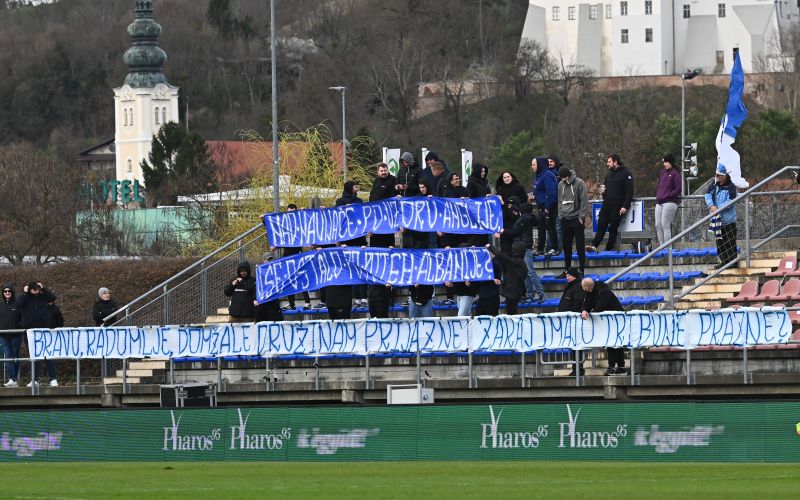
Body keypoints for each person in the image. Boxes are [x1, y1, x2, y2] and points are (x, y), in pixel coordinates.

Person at [586, 154, 634, 253]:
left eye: (609, 162)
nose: (607, 164)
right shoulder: (609, 173)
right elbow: (605, 187)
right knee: (601, 224)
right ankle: (594, 245)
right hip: (607, 203)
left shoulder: (626, 174)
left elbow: (630, 192)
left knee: (613, 227)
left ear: (615, 162)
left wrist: (625, 206)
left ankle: (609, 247)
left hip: (618, 205)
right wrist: (603, 192)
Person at [14, 282, 56, 387]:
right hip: (30, 331)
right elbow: (18, 304)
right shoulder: (25, 298)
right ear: (29, 289)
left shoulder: (43, 296)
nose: (35, 291)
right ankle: (35, 379)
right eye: (33, 289)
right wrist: (24, 293)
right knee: (32, 355)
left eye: (37, 289)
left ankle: (53, 378)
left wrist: (44, 288)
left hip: (43, 330)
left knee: (48, 354)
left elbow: (52, 297)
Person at [580, 277, 625, 375]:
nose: (582, 289)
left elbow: (601, 305)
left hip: (615, 319)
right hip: (608, 320)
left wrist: (592, 311)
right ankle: (620, 366)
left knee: (613, 342)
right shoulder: (590, 291)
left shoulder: (603, 290)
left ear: (586, 287)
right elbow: (586, 302)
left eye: (583, 287)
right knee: (613, 342)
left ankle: (613, 367)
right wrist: (584, 310)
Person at [336, 180, 368, 307]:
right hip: (347, 241)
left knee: (361, 268)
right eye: (355, 186)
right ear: (350, 188)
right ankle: (356, 298)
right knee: (351, 270)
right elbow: (338, 219)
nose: (358, 188)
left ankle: (364, 297)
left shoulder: (359, 201)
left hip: (359, 239)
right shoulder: (341, 202)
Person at [506, 203, 544, 303]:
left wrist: (503, 231)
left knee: (530, 272)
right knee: (526, 272)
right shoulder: (527, 218)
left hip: (525, 247)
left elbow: (515, 231)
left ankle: (540, 294)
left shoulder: (524, 219)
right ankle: (530, 294)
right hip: (524, 247)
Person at [557, 166, 589, 278]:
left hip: (577, 219)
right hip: (565, 218)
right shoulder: (561, 184)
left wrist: (582, 216)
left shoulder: (579, 183)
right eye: (561, 178)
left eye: (564, 178)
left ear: (568, 176)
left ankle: (581, 269)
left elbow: (584, 200)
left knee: (580, 245)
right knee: (566, 245)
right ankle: (567, 269)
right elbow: (559, 200)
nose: (563, 180)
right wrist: (560, 215)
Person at [705, 165, 739, 269]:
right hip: (717, 220)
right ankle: (724, 262)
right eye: (717, 175)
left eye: (720, 175)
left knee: (730, 242)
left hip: (729, 221)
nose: (718, 177)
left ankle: (732, 262)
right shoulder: (714, 184)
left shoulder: (731, 186)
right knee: (720, 243)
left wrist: (718, 208)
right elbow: (707, 195)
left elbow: (731, 201)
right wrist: (711, 205)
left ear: (724, 176)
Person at [280, 204, 311, 310]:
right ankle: (291, 303)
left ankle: (307, 302)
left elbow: (307, 221)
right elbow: (272, 226)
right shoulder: (284, 223)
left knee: (301, 277)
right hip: (287, 255)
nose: (291, 214)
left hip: (297, 254)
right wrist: (264, 220)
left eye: (293, 212)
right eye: (289, 212)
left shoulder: (299, 223)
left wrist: (304, 211)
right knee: (290, 279)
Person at [557, 267, 586, 376]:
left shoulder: (577, 286)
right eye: (566, 276)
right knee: (573, 346)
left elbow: (577, 303)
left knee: (576, 346)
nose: (567, 277)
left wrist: (571, 314)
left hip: (574, 321)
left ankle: (578, 368)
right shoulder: (572, 286)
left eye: (569, 275)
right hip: (569, 321)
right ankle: (576, 367)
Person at [489, 242, 528, 315]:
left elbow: (502, 256)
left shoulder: (516, 262)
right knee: (511, 312)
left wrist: (490, 247)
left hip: (512, 292)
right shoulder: (521, 262)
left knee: (512, 313)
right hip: (515, 292)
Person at [531, 156, 559, 257]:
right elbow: (540, 190)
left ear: (539, 165)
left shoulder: (548, 175)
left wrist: (547, 207)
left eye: (534, 165)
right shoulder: (538, 176)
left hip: (549, 207)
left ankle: (555, 248)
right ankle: (540, 248)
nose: (532, 167)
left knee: (551, 228)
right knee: (541, 228)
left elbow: (551, 192)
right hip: (540, 206)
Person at [655, 154, 682, 247]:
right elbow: (660, 186)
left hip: (670, 202)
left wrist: (669, 195)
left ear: (671, 163)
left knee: (665, 225)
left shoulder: (675, 173)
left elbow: (678, 188)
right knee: (658, 225)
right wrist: (658, 194)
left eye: (666, 162)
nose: (665, 164)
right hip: (660, 202)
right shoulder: (662, 172)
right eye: (664, 162)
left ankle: (668, 248)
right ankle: (662, 247)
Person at [369, 163, 398, 248]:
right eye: (381, 171)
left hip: (387, 217)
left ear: (388, 170)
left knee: (388, 241)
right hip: (376, 217)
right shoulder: (376, 181)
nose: (383, 172)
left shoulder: (393, 180)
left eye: (385, 170)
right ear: (378, 172)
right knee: (375, 243)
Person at [0, 284, 21, 388]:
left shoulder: (18, 304)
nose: (7, 293)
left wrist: (19, 327)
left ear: (12, 292)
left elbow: (23, 318)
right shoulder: (0, 304)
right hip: (3, 336)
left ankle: (14, 379)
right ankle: (12, 379)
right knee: (8, 357)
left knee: (16, 357)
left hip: (16, 335)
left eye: (9, 291)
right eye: (5, 291)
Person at [254, 251, 283, 322]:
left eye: (271, 259)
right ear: (263, 260)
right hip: (263, 301)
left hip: (273, 300)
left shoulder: (276, 269)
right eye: (267, 259)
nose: (269, 261)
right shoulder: (260, 270)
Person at [546, 154, 563, 252]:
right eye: (548, 162)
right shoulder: (545, 173)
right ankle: (549, 247)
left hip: (559, 205)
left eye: (551, 161)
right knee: (549, 228)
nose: (550, 164)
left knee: (558, 227)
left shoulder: (560, 174)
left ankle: (558, 248)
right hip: (549, 205)